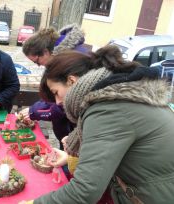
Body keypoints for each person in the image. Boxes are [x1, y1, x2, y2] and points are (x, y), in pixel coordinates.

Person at [20, 45, 174, 203]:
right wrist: (70, 158)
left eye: (56, 93)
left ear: (71, 81)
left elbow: (84, 192)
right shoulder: (120, 96)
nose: (58, 102)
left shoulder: (107, 109)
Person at [19, 24, 87, 149]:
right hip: (69, 134)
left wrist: (35, 111)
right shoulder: (60, 58)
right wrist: (34, 109)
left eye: (36, 61)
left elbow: (64, 105)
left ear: (45, 52)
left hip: (77, 137)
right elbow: (54, 94)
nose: (38, 66)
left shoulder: (72, 61)